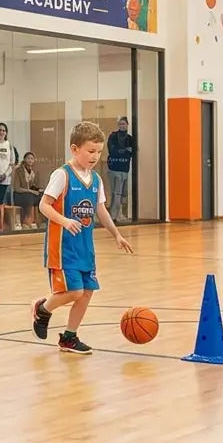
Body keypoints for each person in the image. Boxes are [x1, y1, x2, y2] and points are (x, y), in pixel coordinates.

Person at [30, 121, 133, 355]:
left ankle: (69, 337)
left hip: (85, 248)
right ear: (75, 149)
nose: (95, 156)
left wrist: (116, 234)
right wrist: (64, 221)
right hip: (63, 247)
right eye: (90, 151)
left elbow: (100, 210)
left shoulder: (95, 179)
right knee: (74, 292)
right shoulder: (62, 175)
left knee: (86, 292)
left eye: (99, 152)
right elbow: (44, 205)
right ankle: (42, 308)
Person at [106, 117, 134, 223]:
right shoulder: (113, 136)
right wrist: (125, 150)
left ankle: (120, 214)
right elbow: (112, 150)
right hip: (115, 168)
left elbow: (133, 151)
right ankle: (114, 216)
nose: (122, 126)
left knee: (123, 193)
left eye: (123, 124)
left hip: (125, 169)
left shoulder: (130, 138)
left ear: (127, 124)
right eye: (120, 124)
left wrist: (124, 151)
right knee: (116, 193)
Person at [12, 151, 43, 228]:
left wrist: (38, 189)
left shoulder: (34, 171)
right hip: (19, 195)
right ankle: (27, 221)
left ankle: (40, 221)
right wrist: (30, 191)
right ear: (24, 159)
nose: (30, 160)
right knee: (29, 197)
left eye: (32, 159)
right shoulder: (18, 170)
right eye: (28, 158)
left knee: (43, 196)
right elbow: (17, 188)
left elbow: (34, 186)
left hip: (31, 194)